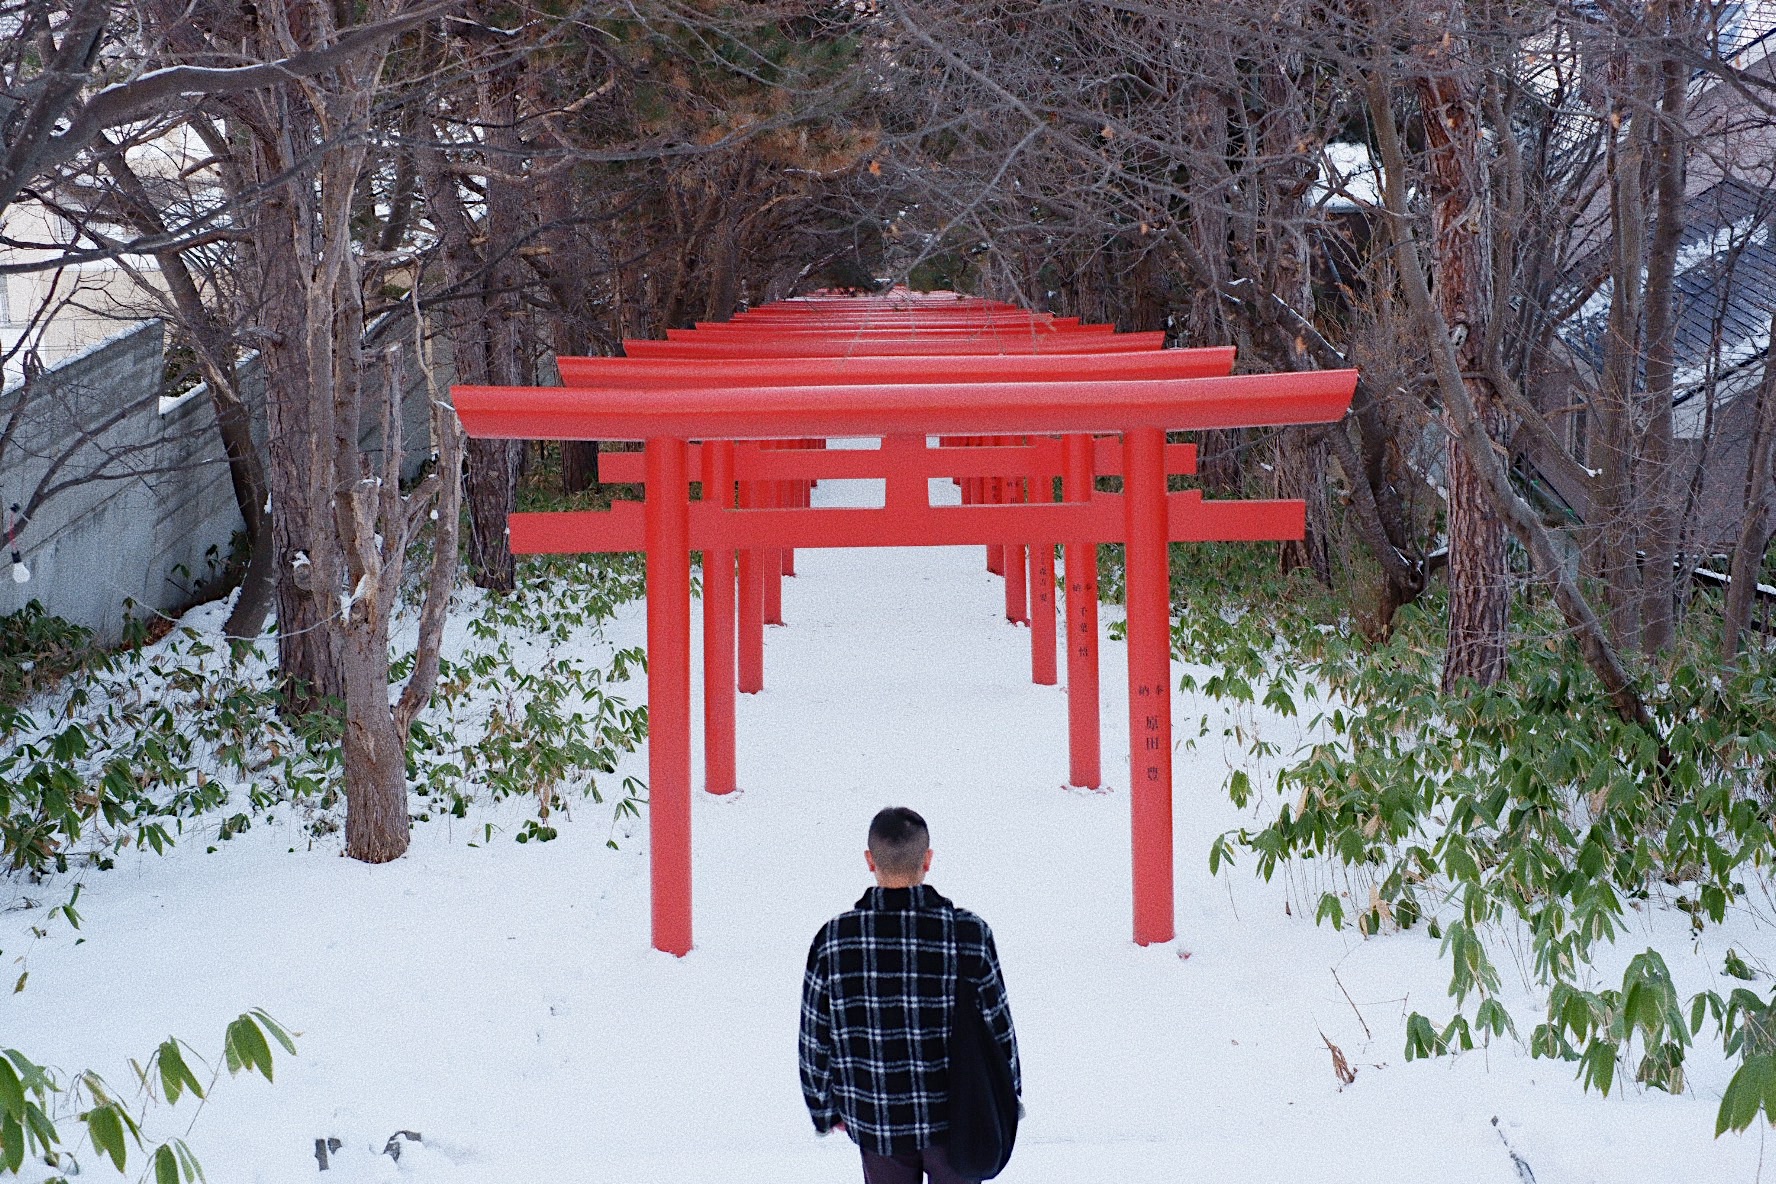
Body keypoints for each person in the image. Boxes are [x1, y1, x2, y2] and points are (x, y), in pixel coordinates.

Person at [799, 807, 1021, 1184]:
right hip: (959, 1116)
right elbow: (999, 1027)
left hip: (875, 1117)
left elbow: (815, 1039)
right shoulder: (968, 933)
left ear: (870, 860)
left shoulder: (833, 940)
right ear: (928, 859)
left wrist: (824, 1110)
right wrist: (1008, 1097)